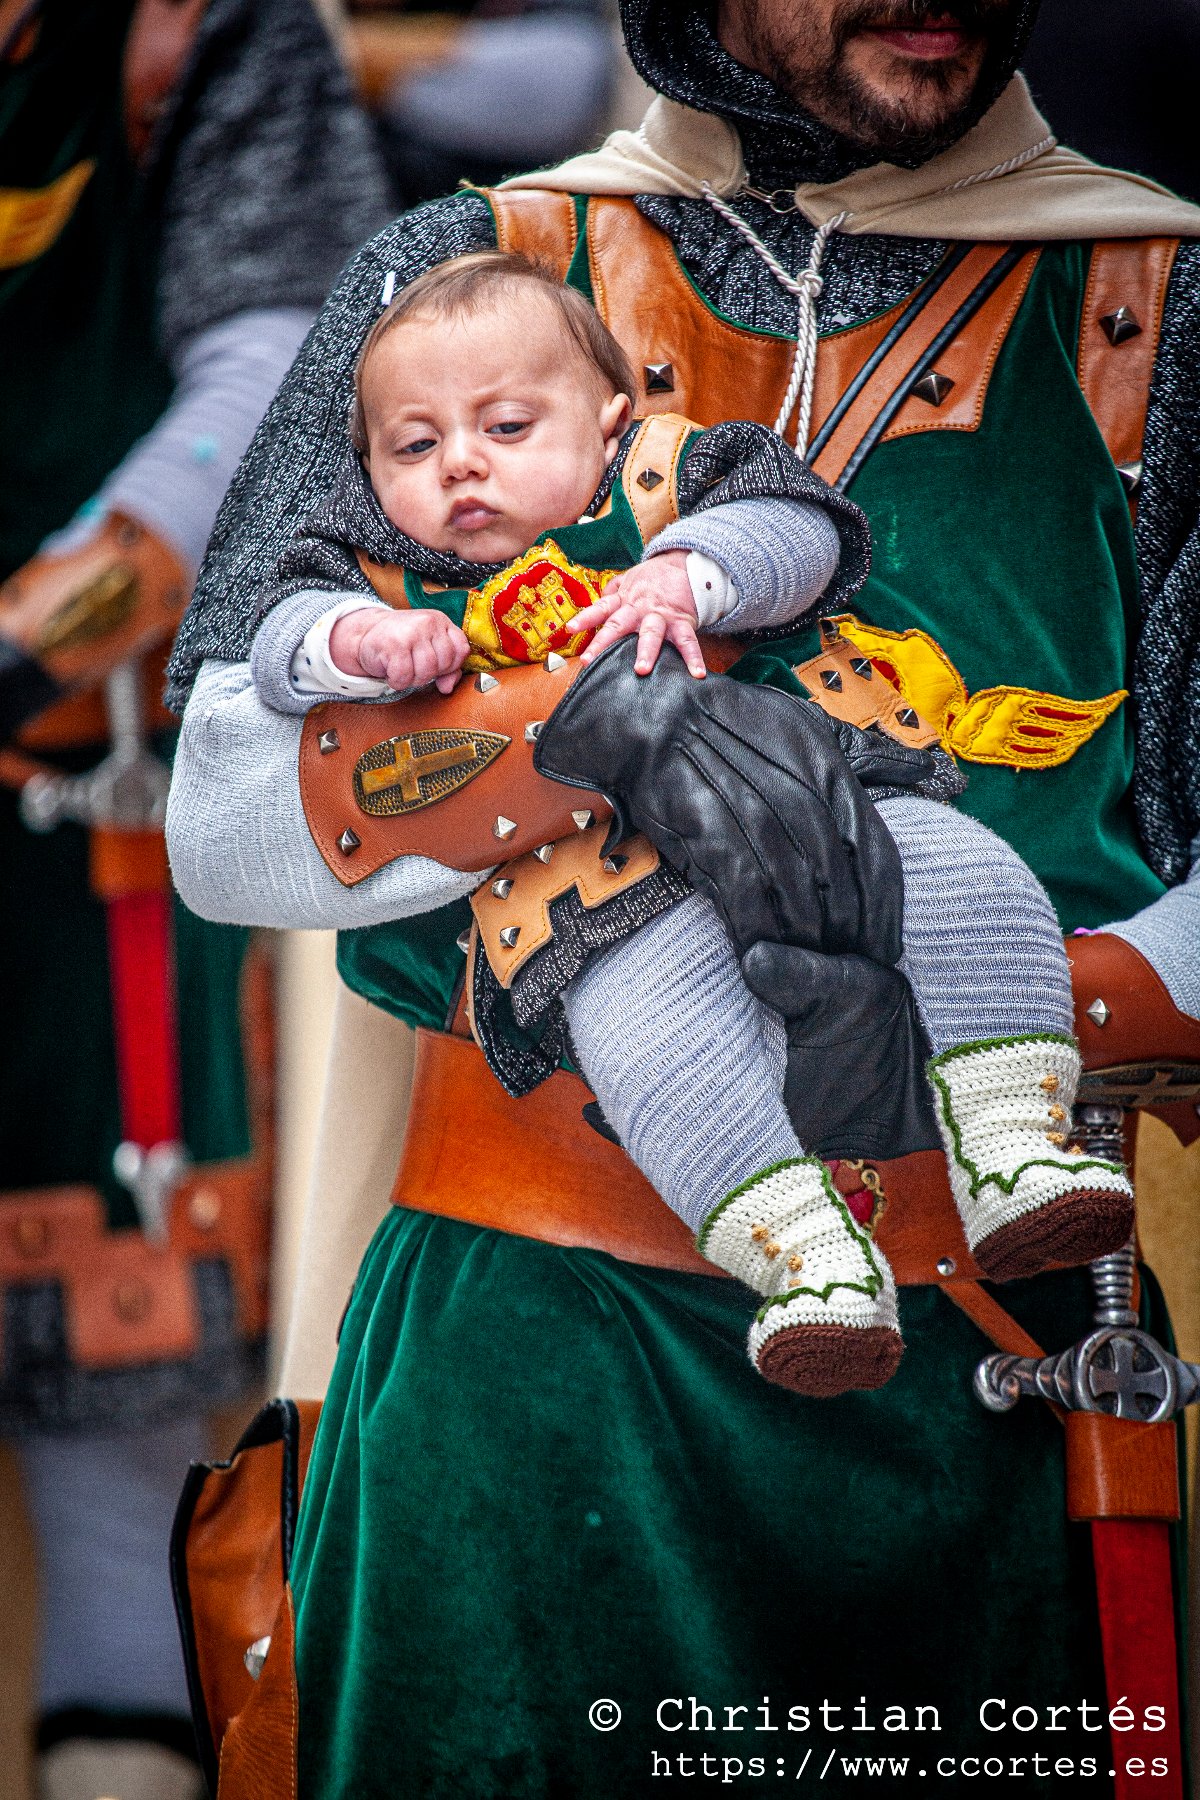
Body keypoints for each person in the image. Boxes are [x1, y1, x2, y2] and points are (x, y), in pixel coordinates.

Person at [164, 1, 1200, 1791]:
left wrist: (993, 988)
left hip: (996, 1359)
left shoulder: (1156, 302)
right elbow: (227, 817)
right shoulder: (470, 276)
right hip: (529, 1366)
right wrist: (584, 744)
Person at [239, 247, 1133, 1399]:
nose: (460, 462)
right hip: (596, 893)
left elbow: (805, 531)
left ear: (609, 420)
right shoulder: (383, 570)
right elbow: (273, 633)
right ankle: (802, 1260)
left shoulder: (673, 473)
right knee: (648, 1041)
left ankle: (1014, 1141)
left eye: (507, 426)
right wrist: (346, 643)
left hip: (818, 793)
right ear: (368, 469)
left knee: (968, 877)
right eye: (413, 447)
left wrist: (693, 575)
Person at [0, 2, 389, 1795]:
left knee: (124, 1406)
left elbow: (280, 378)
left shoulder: (191, 27)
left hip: (92, 785)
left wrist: (28, 639)